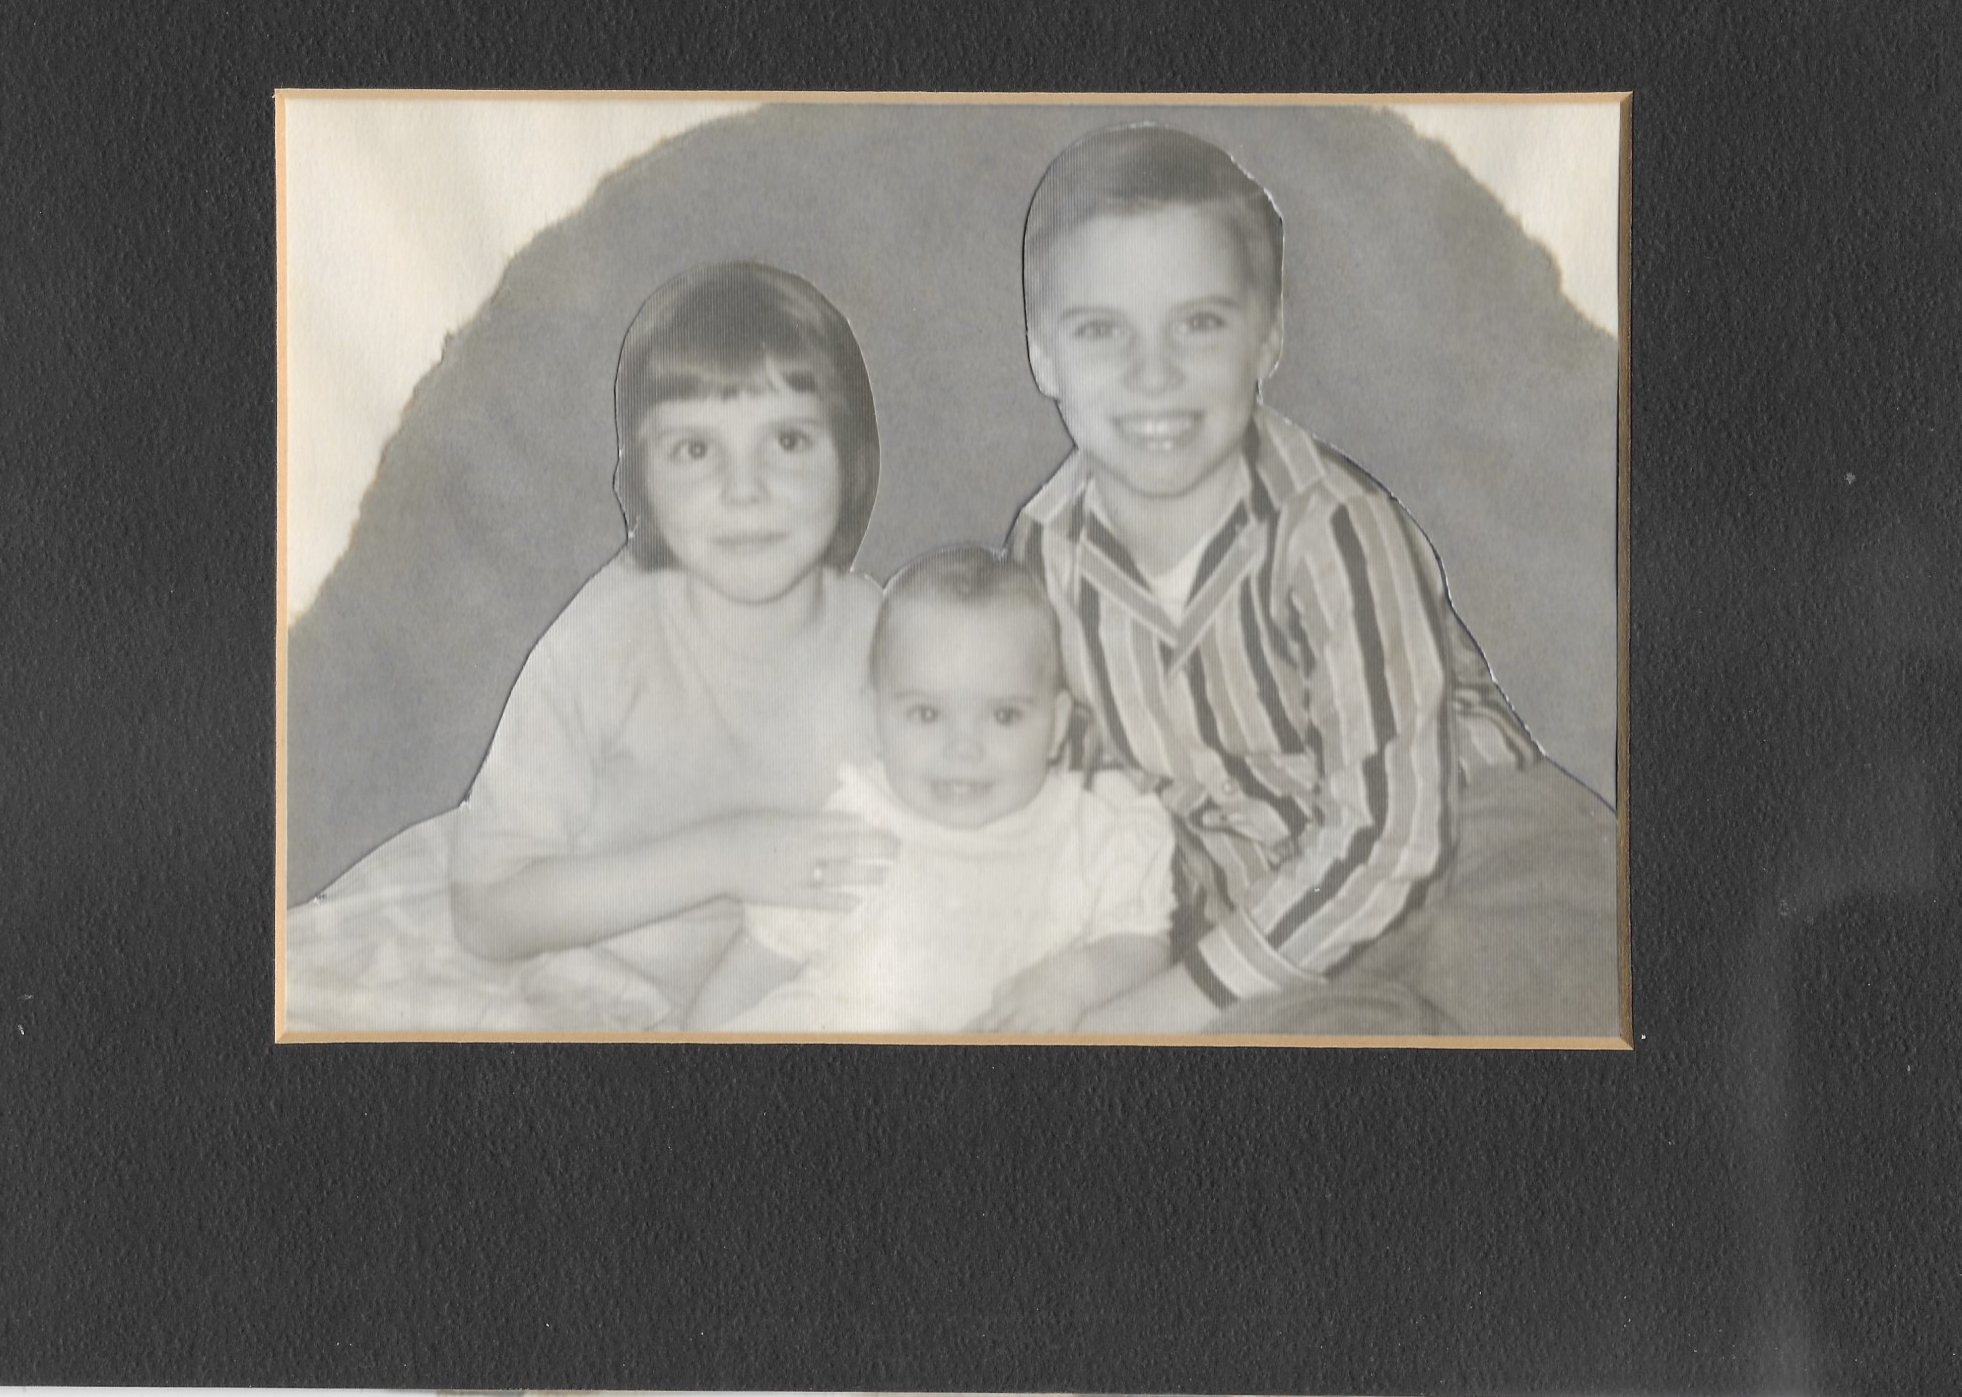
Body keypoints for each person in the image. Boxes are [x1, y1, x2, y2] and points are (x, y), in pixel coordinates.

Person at [1008, 124, 1621, 1037]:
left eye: (1199, 324)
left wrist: (1165, 1002)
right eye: (1102, 331)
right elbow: (1088, 795)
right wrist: (1099, 963)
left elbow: (1391, 835)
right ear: (1042, 355)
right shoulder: (1044, 552)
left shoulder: (1333, 527)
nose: (1153, 374)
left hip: (1469, 844)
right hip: (1265, 912)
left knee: (1538, 974)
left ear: (1269, 337)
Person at [446, 261, 898, 966]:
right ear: (640, 480)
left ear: (852, 459)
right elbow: (487, 913)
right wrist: (724, 857)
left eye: (788, 441)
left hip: (797, 989)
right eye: (695, 449)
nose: (744, 490)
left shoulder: (889, 636)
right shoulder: (605, 641)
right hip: (594, 977)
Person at [687, 546, 1175, 1033]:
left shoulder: (1093, 834)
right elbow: (754, 967)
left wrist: (1072, 982)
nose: (963, 748)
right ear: (874, 721)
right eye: (927, 714)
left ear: (1056, 726)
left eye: (1004, 715)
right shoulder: (857, 830)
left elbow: (1142, 947)